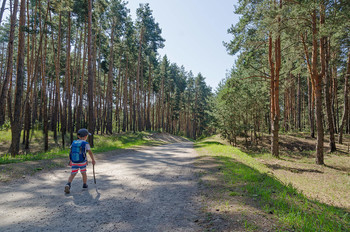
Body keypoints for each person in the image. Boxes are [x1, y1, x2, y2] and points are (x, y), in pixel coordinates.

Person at [64, 128, 96, 194]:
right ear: (86, 136)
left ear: (78, 136)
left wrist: (70, 160)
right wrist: (93, 160)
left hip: (74, 161)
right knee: (83, 173)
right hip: (82, 162)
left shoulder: (74, 143)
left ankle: (68, 184)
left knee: (72, 174)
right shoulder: (85, 143)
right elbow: (90, 152)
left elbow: (71, 152)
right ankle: (84, 184)